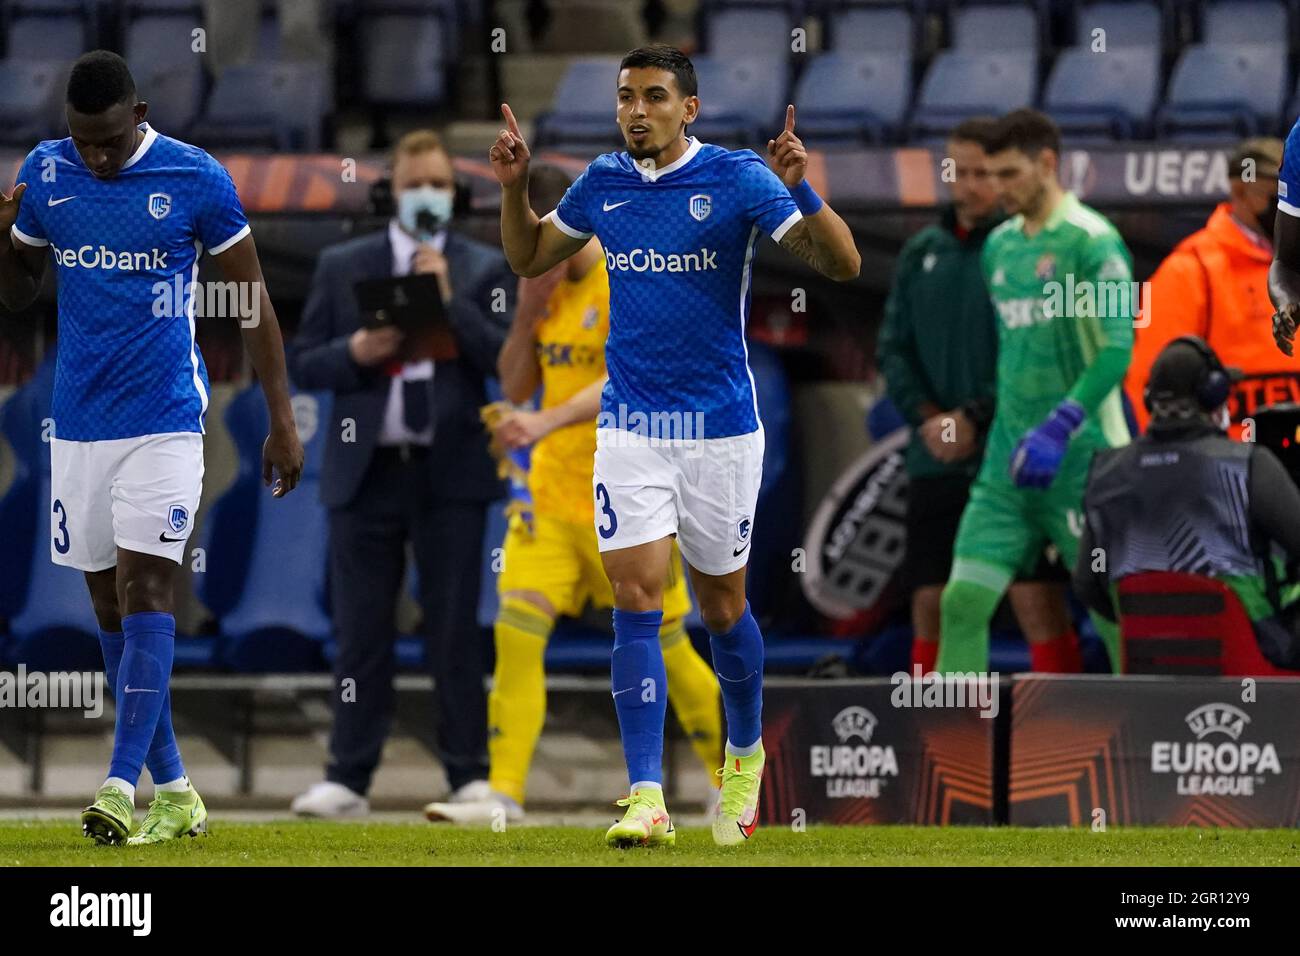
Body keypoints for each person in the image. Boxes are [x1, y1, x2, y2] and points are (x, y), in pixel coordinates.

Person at [489, 44, 860, 847]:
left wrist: (802, 187)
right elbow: (526, 258)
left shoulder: (736, 179)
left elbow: (844, 262)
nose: (637, 110)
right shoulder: (603, 183)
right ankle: (647, 796)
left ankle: (746, 751)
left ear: (688, 109)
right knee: (637, 597)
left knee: (725, 609)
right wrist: (515, 190)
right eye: (626, 97)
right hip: (631, 427)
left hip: (721, 430)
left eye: (654, 97)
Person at [0, 51, 304, 844]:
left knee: (146, 592)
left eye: (107, 141)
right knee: (108, 605)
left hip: (167, 417)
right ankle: (176, 787)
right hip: (77, 423)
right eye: (82, 141)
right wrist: (3, 243)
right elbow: (17, 291)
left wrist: (283, 418)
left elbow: (252, 303)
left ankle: (116, 785)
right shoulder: (48, 173)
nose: (95, 158)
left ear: (138, 116)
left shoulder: (195, 178)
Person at [424, 164, 722, 825]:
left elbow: (627, 381)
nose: (524, 250)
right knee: (517, 634)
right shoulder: (543, 285)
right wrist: (528, 314)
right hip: (549, 500)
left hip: (629, 493)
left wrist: (544, 420)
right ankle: (503, 795)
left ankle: (729, 780)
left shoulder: (629, 281)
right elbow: (513, 384)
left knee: (670, 645)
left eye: (532, 233)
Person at [287, 130, 513, 818]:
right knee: (361, 633)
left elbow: (506, 364)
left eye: (439, 185)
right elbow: (303, 363)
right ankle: (348, 778)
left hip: (452, 473)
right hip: (367, 473)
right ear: (391, 191)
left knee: (454, 631)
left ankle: (467, 774)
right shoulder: (340, 264)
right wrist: (356, 349)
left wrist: (450, 303)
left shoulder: (485, 267)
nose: (426, 195)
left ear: (457, 194)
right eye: (415, 183)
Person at [936, 109, 1132, 675]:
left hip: (1085, 458)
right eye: (989, 175)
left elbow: (1117, 350)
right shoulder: (999, 247)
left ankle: (1144, 751)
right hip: (1007, 464)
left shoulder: (1093, 242)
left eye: (1009, 174)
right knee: (963, 602)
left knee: (1110, 611)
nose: (997, 189)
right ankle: (960, 756)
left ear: (1048, 164)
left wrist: (1060, 424)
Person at [876, 117, 1075, 675]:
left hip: (1012, 451)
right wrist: (932, 420)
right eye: (958, 172)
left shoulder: (1028, 250)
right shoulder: (921, 254)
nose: (970, 185)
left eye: (984, 173)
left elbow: (1041, 350)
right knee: (933, 600)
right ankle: (940, 738)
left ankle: (1061, 738)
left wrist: (975, 418)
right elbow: (893, 349)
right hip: (934, 454)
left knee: (1036, 598)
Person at [1075, 336, 1300, 668]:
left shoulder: (1106, 473)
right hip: (1253, 661)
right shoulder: (1248, 464)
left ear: (1151, 402)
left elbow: (1086, 582)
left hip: (1149, 664)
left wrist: (1163, 625)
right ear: (1214, 395)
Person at [1127, 138, 1284, 437]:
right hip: (1225, 467)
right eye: (1282, 194)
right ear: (1240, 190)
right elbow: (1151, 379)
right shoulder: (1190, 269)